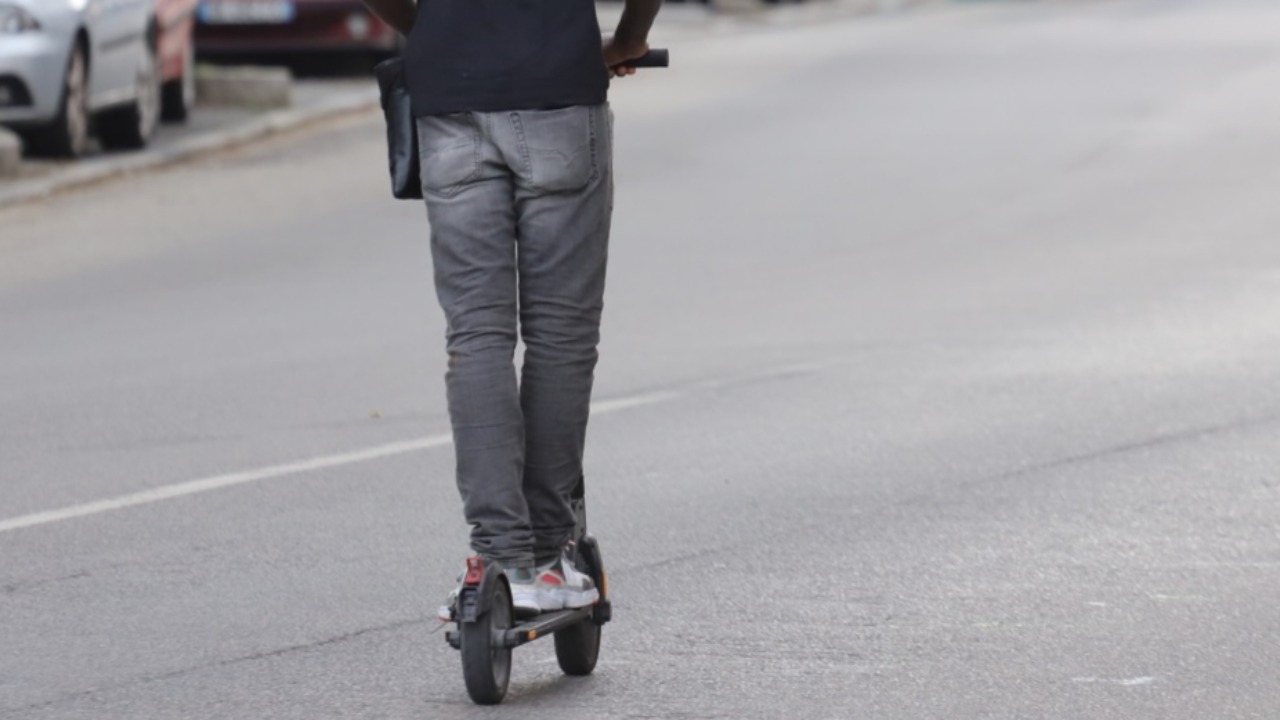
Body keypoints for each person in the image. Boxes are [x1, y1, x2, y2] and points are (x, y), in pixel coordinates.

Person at [360, 0, 663, 615]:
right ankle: (549, 554)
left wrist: (434, 27)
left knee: (475, 335)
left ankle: (499, 552)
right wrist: (629, 39)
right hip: (558, 94)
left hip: (447, 104)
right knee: (560, 337)